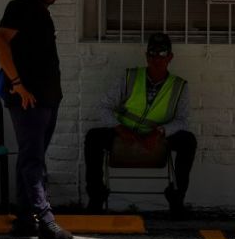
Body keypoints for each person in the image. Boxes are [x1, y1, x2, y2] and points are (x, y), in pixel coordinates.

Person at [0, 0, 73, 239]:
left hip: (48, 99)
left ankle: (25, 220)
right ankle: (45, 220)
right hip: (28, 99)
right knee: (33, 160)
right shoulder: (21, 7)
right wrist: (17, 84)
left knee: (30, 157)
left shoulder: (42, 13)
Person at [84, 32, 197, 215]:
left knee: (188, 140)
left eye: (162, 54)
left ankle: (177, 198)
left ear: (170, 57)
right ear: (146, 56)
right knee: (93, 137)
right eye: (152, 53)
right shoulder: (130, 77)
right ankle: (96, 198)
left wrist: (161, 132)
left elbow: (182, 120)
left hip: (158, 135)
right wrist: (119, 128)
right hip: (124, 132)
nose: (157, 59)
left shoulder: (179, 86)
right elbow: (104, 106)